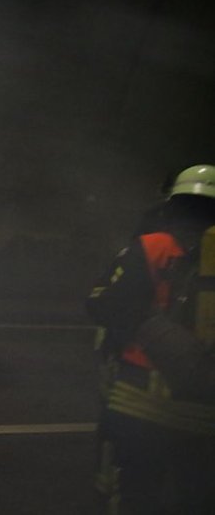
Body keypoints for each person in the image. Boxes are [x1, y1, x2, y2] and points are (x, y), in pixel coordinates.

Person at [86, 164, 215, 514]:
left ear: (175, 204)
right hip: (204, 416)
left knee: (136, 496)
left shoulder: (153, 246)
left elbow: (100, 303)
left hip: (140, 405)